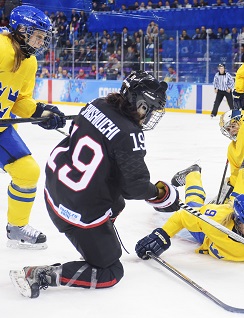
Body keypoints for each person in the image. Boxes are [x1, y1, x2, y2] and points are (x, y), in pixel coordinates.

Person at [9, 71, 181, 298]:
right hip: (76, 211)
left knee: (116, 203)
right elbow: (135, 187)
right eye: (149, 108)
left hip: (54, 190)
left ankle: (93, 245)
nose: (149, 116)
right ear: (140, 103)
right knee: (111, 270)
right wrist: (162, 195)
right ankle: (38, 274)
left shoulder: (96, 104)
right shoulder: (130, 134)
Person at [135, 160, 244, 283]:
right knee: (193, 205)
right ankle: (193, 174)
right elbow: (183, 216)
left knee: (241, 190)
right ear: (236, 220)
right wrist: (161, 235)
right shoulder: (215, 218)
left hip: (234, 211)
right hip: (208, 238)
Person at [0, 5, 67, 250]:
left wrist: (42, 113)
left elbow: (19, 101)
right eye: (37, 35)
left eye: (43, 37)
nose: (41, 42)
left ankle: (16, 227)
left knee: (28, 172)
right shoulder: (0, 47)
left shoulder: (29, 63)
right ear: (21, 30)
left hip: (1, 130)